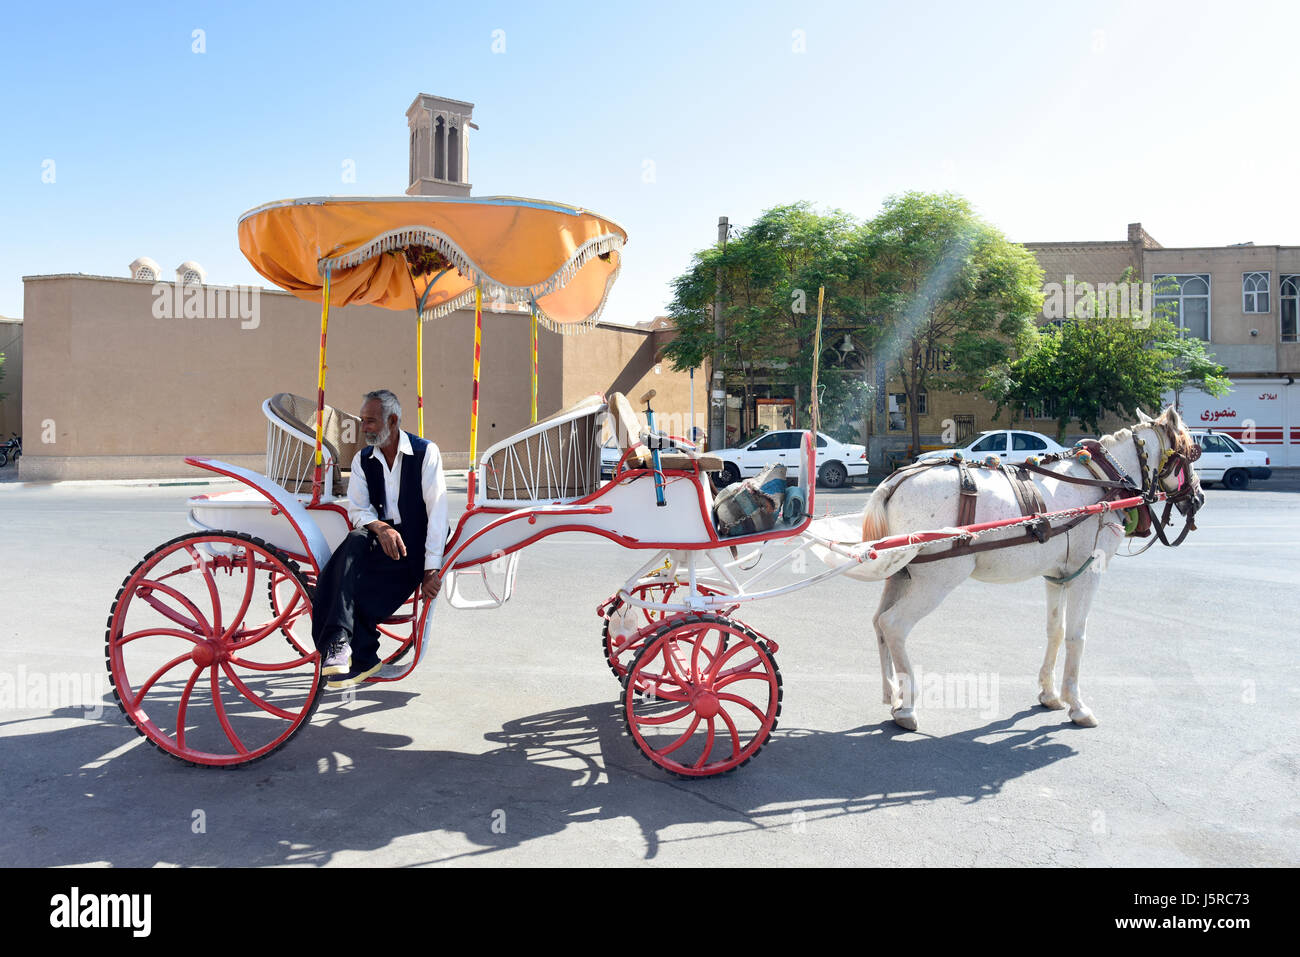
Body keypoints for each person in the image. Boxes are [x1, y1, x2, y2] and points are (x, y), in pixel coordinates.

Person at [311, 389, 448, 689]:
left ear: (393, 420)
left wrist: (431, 570)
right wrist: (381, 528)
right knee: (354, 541)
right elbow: (359, 508)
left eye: (370, 421)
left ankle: (362, 656)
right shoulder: (363, 459)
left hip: (413, 547)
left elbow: (438, 513)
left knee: (345, 589)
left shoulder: (426, 453)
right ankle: (338, 644)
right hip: (379, 539)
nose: (364, 428)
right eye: (363, 421)